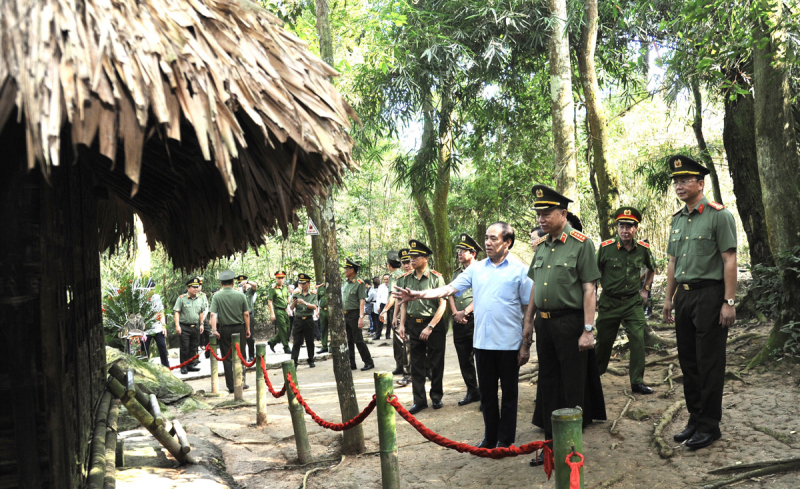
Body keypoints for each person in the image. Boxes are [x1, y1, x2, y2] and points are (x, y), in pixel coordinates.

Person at [394, 225, 532, 445]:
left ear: (507, 242)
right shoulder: (477, 269)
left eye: (493, 238)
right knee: (487, 395)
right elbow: (448, 289)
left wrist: (526, 343)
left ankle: (505, 441)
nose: (487, 242)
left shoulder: (520, 270)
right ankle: (490, 438)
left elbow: (528, 308)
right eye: (486, 238)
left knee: (509, 395)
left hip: (509, 344)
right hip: (483, 343)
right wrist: (418, 294)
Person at [523, 185, 606, 467]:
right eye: (538, 214)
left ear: (563, 214)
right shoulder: (540, 246)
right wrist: (528, 323)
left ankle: (570, 448)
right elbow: (535, 287)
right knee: (547, 386)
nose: (541, 219)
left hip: (570, 323)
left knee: (572, 387)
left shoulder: (581, 244)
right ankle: (550, 447)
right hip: (544, 324)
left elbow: (589, 289)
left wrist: (588, 330)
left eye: (547, 214)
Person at [662, 155, 737, 450]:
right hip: (684, 296)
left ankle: (709, 425)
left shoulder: (719, 215)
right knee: (688, 362)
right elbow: (672, 262)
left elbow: (729, 260)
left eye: (685, 180)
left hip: (710, 295)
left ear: (700, 183)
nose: (679, 186)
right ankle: (695, 418)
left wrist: (729, 301)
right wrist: (668, 299)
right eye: (676, 182)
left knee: (710, 363)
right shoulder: (677, 220)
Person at [595, 207, 656, 395]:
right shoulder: (606, 248)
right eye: (621, 226)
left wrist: (645, 290)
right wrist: (593, 295)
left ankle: (637, 382)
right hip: (609, 302)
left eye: (629, 226)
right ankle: (594, 377)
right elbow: (593, 273)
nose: (625, 230)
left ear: (636, 228)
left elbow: (652, 268)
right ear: (617, 227)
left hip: (632, 302)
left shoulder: (643, 249)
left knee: (638, 338)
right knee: (603, 341)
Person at [396, 240, 447, 414]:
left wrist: (430, 327)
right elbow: (404, 303)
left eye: (416, 256)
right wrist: (402, 324)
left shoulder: (436, 278)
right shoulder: (406, 279)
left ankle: (436, 397)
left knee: (436, 363)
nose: (412, 260)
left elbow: (442, 305)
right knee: (416, 364)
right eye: (411, 257)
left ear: (426, 258)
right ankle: (419, 401)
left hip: (433, 325)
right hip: (413, 324)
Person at [449, 233, 482, 407]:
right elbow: (450, 293)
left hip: (476, 319)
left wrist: (466, 312)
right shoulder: (457, 273)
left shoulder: (481, 270)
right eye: (459, 251)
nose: (459, 253)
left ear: (473, 253)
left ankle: (485, 394)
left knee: (481, 358)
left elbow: (482, 294)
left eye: (463, 250)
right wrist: (456, 313)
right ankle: (472, 391)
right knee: (464, 358)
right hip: (459, 321)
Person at [209, 270, 251, 393]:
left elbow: (213, 314)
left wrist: (214, 330)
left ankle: (231, 386)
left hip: (224, 329)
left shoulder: (217, 296)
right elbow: (246, 314)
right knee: (241, 355)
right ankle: (241, 383)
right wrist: (248, 329)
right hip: (239, 328)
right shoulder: (241, 295)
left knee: (227, 357)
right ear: (233, 282)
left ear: (221, 283)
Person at [342, 259, 375, 371]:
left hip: (354, 314)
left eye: (347, 269)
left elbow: (362, 301)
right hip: (346, 315)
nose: (345, 271)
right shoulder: (346, 283)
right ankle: (351, 363)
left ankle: (368, 362)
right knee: (348, 340)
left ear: (352, 270)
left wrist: (361, 317)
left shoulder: (360, 283)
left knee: (358, 339)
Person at [173, 277, 207, 374]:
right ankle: (183, 366)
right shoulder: (181, 299)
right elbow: (177, 312)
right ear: (188, 288)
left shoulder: (200, 299)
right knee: (185, 347)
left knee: (193, 347)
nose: (196, 289)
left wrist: (201, 324)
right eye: (193, 287)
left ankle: (191, 365)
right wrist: (177, 325)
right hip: (184, 327)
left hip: (195, 326)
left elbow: (201, 312)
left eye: (197, 287)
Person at [290, 273, 318, 368]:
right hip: (298, 320)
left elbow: (314, 306)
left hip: (308, 320)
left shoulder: (313, 294)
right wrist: (294, 303)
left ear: (308, 283)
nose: (302, 285)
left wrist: (305, 303)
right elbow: (291, 307)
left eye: (304, 283)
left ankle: (311, 359)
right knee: (297, 341)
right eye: (301, 283)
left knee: (310, 341)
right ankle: (294, 361)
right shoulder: (296, 293)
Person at [144, 280, 170, 368]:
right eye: (151, 289)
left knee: (163, 348)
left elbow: (161, 312)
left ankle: (166, 367)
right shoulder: (141, 299)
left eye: (154, 289)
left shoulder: (157, 297)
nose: (153, 291)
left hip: (158, 327)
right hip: (146, 330)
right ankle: (145, 368)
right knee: (144, 351)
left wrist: (164, 327)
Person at [267, 271, 291, 353]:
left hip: (285, 310)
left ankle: (272, 342)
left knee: (287, 328)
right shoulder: (273, 289)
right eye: (279, 278)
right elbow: (270, 302)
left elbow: (287, 299)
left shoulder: (285, 288)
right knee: (283, 329)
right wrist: (272, 314)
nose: (281, 280)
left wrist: (287, 310)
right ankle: (286, 347)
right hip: (278, 311)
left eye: (282, 278)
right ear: (276, 279)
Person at [237, 275, 258, 362]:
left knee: (250, 336)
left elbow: (255, 285)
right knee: (240, 337)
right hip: (240, 316)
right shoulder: (237, 293)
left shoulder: (250, 291)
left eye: (244, 283)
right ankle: (242, 356)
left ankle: (251, 355)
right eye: (241, 284)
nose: (243, 285)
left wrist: (247, 282)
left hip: (249, 315)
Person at [374, 273, 390, 340]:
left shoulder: (392, 286)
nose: (386, 280)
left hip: (390, 304)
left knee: (390, 320)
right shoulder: (381, 286)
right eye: (384, 279)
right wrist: (378, 306)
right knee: (380, 320)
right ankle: (378, 335)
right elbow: (378, 297)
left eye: (387, 279)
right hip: (382, 304)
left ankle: (388, 334)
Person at [315, 281, 329, 353]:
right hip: (323, 310)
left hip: (331, 311)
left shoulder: (333, 286)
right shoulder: (320, 288)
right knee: (323, 329)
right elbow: (316, 300)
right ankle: (324, 346)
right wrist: (317, 310)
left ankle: (332, 346)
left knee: (333, 329)